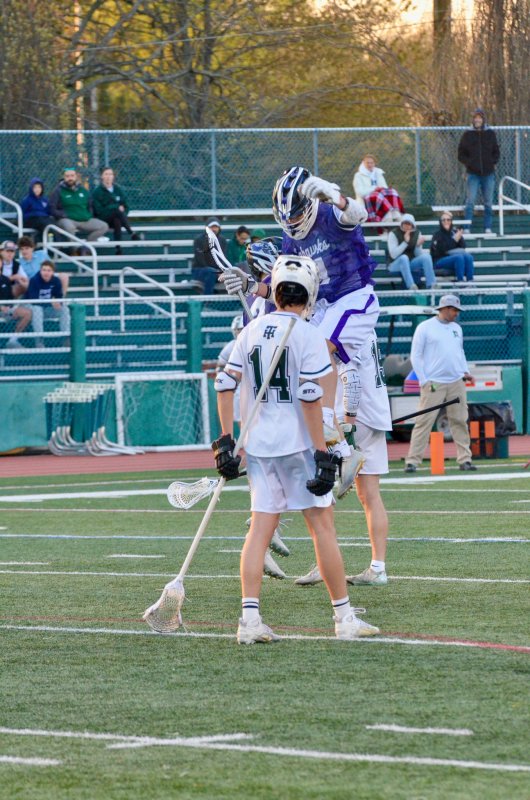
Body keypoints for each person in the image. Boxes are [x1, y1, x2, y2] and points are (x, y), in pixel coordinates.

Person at [213, 253, 380, 643]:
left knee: (259, 530)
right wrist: (324, 453)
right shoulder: (310, 337)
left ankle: (249, 621)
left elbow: (224, 384)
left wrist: (225, 440)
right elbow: (312, 400)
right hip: (300, 447)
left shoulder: (250, 331)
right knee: (322, 528)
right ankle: (343, 618)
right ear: (309, 294)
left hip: (258, 447)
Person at [404, 294, 476, 473]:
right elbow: (416, 355)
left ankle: (465, 459)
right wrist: (424, 380)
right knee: (424, 421)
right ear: (443, 308)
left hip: (456, 381)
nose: (456, 314)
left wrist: (465, 371)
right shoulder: (425, 327)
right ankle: (412, 461)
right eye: (454, 310)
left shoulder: (457, 329)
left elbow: (459, 352)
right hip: (434, 383)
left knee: (460, 420)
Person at [457, 109, 500, 234]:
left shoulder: (490, 133)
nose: (477, 120)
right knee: (470, 202)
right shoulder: (467, 134)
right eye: (475, 118)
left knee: (488, 203)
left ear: (483, 119)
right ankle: (467, 228)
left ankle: (487, 227)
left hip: (488, 174)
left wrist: (492, 162)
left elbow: (496, 151)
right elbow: (460, 154)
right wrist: (469, 163)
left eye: (479, 118)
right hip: (473, 174)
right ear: (473, 119)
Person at [49, 169, 109, 242]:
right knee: (69, 227)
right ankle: (75, 250)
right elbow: (52, 209)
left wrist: (89, 215)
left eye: (72, 176)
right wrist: (64, 214)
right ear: (64, 177)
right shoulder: (58, 191)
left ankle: (86, 248)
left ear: (76, 177)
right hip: (68, 220)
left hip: (84, 219)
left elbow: (90, 205)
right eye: (67, 176)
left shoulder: (83, 190)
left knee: (104, 226)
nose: (70, 178)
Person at [92, 167, 141, 253]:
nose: (108, 176)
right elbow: (98, 210)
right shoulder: (97, 192)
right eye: (106, 174)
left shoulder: (118, 189)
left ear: (113, 176)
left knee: (117, 220)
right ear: (102, 176)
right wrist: (115, 207)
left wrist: (122, 213)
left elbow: (126, 206)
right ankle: (131, 233)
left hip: (118, 218)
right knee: (116, 210)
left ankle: (118, 248)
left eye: (110, 174)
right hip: (103, 218)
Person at [25, 260, 70, 347]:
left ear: (53, 272)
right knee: (37, 309)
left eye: (49, 270)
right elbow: (34, 300)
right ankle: (39, 340)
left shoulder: (56, 281)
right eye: (44, 270)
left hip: (47, 308)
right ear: (40, 271)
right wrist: (51, 302)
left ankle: (66, 338)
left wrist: (58, 303)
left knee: (64, 309)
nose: (46, 273)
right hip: (32, 308)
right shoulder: (34, 280)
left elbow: (59, 296)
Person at [387, 213, 437, 290]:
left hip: (410, 263)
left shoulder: (417, 233)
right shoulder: (393, 233)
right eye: (405, 223)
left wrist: (418, 246)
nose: (407, 225)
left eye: (409, 224)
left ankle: (431, 284)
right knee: (404, 258)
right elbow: (393, 255)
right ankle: (411, 286)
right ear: (402, 223)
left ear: (412, 225)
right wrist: (405, 242)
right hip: (394, 265)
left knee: (426, 257)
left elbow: (418, 255)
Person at [353, 154, 404, 225]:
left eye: (371, 163)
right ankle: (385, 216)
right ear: (363, 163)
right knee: (378, 195)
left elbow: (384, 187)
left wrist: (379, 189)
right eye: (368, 163)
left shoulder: (378, 173)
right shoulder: (358, 175)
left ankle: (395, 212)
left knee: (392, 192)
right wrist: (374, 189)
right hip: (366, 199)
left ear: (374, 163)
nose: (370, 165)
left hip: (380, 196)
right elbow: (360, 193)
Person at [430, 211, 475, 283]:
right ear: (440, 222)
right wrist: (454, 240)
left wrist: (460, 238)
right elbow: (441, 250)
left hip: (453, 258)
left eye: (448, 220)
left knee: (468, 257)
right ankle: (460, 282)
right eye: (443, 220)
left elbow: (463, 247)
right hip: (439, 260)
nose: (446, 221)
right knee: (459, 257)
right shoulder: (437, 235)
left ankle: (470, 282)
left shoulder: (454, 232)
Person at [191, 218, 227, 294]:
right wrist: (217, 271)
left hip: (215, 272)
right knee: (210, 272)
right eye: (212, 227)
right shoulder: (199, 240)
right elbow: (200, 260)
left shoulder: (222, 240)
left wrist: (221, 271)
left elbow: (222, 258)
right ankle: (207, 301)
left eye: (216, 227)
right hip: (199, 270)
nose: (214, 229)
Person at [0, 269, 32, 349]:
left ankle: (13, 340)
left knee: (27, 313)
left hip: (7, 309)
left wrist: (10, 306)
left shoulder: (5, 279)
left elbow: (9, 297)